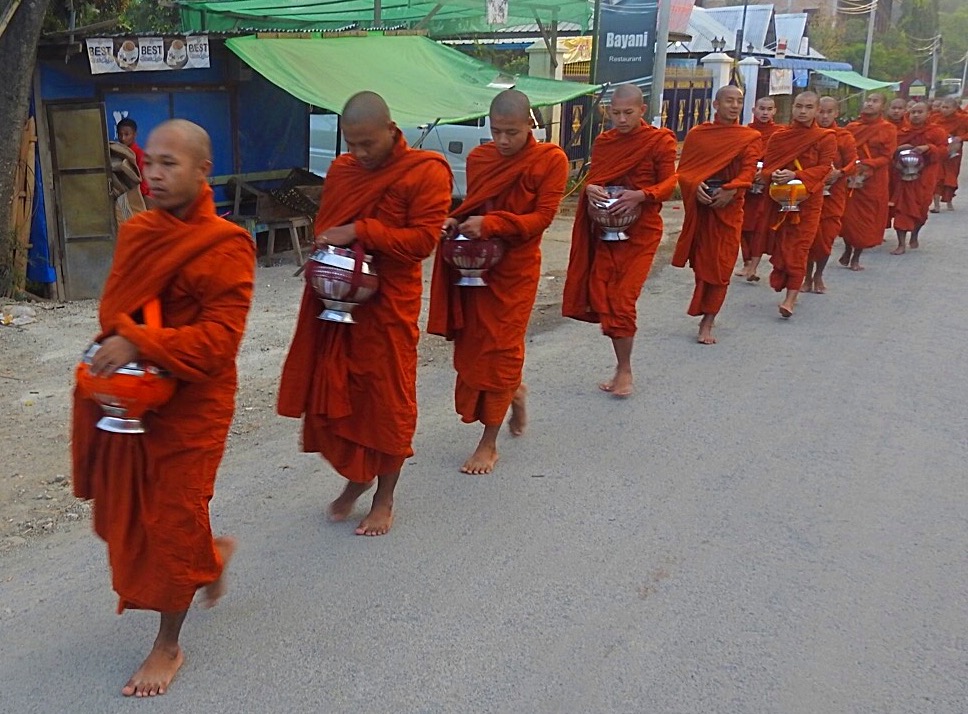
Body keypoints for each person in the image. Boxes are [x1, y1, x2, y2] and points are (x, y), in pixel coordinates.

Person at [71, 119, 255, 697]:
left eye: (169, 163)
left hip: (194, 405)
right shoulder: (139, 232)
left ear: (204, 170)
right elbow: (116, 310)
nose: (153, 172)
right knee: (136, 511)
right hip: (135, 399)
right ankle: (209, 559)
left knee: (174, 517)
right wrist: (122, 347)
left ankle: (168, 645)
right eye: (149, 161)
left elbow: (218, 342)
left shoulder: (227, 244)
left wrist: (141, 343)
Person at [278, 92, 451, 533]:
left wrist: (362, 230)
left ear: (393, 132)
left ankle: (385, 497)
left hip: (389, 306)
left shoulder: (425, 172)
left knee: (387, 403)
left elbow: (423, 242)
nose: (359, 153)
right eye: (351, 144)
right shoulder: (343, 171)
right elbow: (327, 226)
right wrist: (331, 242)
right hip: (339, 303)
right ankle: (356, 480)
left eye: (367, 144)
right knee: (339, 397)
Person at [428, 89, 567, 473]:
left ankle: (488, 443)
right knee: (475, 347)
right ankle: (514, 392)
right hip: (476, 268)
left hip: (515, 270)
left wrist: (492, 224)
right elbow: (478, 204)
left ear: (529, 125)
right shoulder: (480, 158)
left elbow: (541, 219)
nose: (503, 141)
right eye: (496, 132)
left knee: (501, 349)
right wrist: (456, 220)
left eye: (512, 132)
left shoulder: (550, 160)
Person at [562, 84, 677, 398]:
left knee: (623, 300)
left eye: (629, 113)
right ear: (607, 112)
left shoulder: (659, 140)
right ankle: (619, 364)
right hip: (607, 230)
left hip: (642, 232)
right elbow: (597, 178)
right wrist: (592, 188)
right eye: (616, 113)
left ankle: (625, 368)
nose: (622, 119)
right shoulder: (604, 142)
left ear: (642, 111)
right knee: (604, 297)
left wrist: (642, 195)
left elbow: (669, 183)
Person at [671, 86, 761, 345]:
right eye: (729, 101)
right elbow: (684, 171)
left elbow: (748, 171)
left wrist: (732, 190)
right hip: (702, 206)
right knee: (702, 265)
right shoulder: (699, 134)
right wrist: (693, 184)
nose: (734, 106)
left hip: (729, 209)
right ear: (715, 104)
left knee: (721, 267)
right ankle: (705, 309)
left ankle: (708, 320)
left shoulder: (748, 137)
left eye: (739, 101)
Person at [759, 91, 836, 318]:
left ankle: (790, 298)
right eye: (799, 106)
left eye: (809, 107)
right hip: (780, 198)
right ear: (792, 108)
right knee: (783, 244)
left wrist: (796, 174)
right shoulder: (779, 137)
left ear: (816, 110)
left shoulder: (825, 137)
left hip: (809, 201)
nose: (803, 111)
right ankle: (788, 282)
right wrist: (775, 175)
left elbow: (824, 169)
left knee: (800, 247)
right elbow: (766, 169)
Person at [839, 92, 897, 271]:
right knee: (848, 217)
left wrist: (867, 164)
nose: (870, 104)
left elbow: (887, 156)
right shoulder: (852, 127)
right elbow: (844, 150)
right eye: (868, 100)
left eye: (875, 101)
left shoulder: (888, 129)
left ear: (882, 106)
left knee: (866, 219)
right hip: (852, 175)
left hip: (874, 179)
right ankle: (848, 248)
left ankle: (856, 256)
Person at [805, 97, 857, 294]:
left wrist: (840, 173)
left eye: (829, 112)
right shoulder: (806, 135)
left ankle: (818, 274)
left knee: (826, 237)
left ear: (837, 113)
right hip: (809, 193)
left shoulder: (844, 137)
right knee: (808, 236)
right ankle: (806, 276)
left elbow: (853, 163)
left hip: (834, 193)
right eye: (821, 112)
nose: (824, 116)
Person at [891, 101, 949, 254]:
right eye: (913, 112)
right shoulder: (902, 132)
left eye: (919, 112)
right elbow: (890, 152)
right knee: (902, 209)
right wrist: (898, 149)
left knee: (921, 209)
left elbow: (944, 152)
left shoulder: (936, 131)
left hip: (925, 175)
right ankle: (901, 243)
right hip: (903, 175)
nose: (915, 115)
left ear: (928, 114)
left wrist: (928, 148)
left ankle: (915, 235)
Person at [738, 96, 781, 282]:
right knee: (743, 225)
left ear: (774, 111)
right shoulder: (745, 132)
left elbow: (781, 157)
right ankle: (747, 261)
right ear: (754, 110)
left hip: (766, 185)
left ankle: (753, 266)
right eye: (761, 109)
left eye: (769, 109)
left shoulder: (780, 133)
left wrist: (766, 173)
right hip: (746, 184)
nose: (765, 113)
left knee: (759, 226)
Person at [931, 96, 968, 212]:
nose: (944, 110)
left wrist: (960, 138)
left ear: (954, 108)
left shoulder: (963, 119)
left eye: (947, 107)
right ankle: (936, 205)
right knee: (938, 176)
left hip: (954, 152)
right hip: (939, 150)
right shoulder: (935, 118)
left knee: (951, 176)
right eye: (943, 107)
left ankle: (949, 200)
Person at [885, 98, 910, 227]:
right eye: (893, 108)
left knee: (903, 200)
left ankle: (903, 228)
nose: (896, 111)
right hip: (884, 168)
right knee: (882, 198)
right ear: (888, 109)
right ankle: (881, 228)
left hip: (903, 169)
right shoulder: (881, 126)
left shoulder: (910, 128)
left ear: (905, 111)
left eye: (899, 109)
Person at [117, 117, 151, 199]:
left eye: (126, 134)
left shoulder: (139, 154)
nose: (122, 138)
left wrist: (134, 197)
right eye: (120, 134)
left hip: (142, 199)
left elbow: (146, 182)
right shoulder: (117, 154)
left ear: (135, 134)